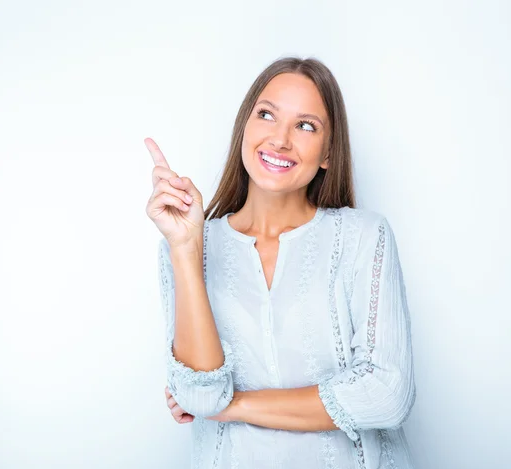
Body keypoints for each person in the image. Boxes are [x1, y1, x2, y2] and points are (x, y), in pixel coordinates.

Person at [145, 56, 417, 468]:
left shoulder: (364, 237)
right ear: (245, 128)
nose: (280, 139)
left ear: (328, 153)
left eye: (306, 125)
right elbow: (199, 397)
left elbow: (387, 395)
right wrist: (186, 248)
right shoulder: (186, 246)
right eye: (267, 115)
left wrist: (233, 404)